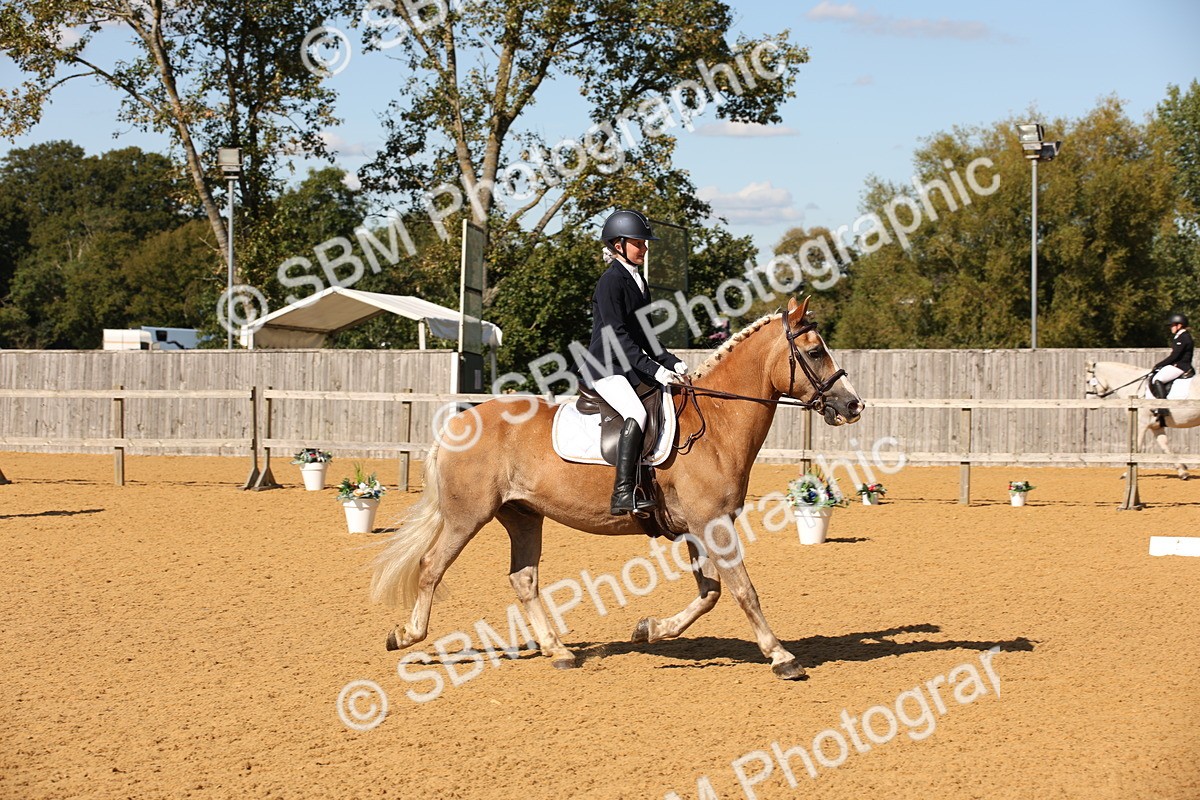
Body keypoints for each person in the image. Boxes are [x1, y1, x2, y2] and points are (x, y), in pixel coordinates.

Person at [581, 209, 688, 515]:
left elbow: (646, 334)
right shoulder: (610, 282)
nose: (645, 248)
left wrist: (672, 362)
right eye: (639, 243)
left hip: (627, 365)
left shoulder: (638, 282)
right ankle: (623, 492)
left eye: (644, 242)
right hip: (606, 367)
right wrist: (654, 369)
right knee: (636, 412)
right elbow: (617, 335)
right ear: (618, 245)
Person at [1150, 313, 1194, 425]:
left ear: (1179, 325)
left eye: (1172, 325)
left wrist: (1159, 365)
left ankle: (1163, 407)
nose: (1171, 327)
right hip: (1178, 365)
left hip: (1181, 366)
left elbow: (1175, 356)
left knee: (1157, 379)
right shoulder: (1179, 336)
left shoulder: (1184, 338)